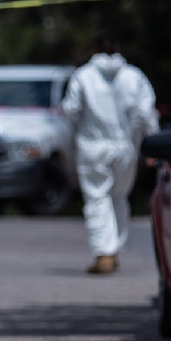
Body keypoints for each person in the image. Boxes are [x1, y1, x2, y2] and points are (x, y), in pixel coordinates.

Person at [61, 31, 159, 274]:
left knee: (97, 198)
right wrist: (152, 145)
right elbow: (147, 112)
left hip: (93, 147)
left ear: (94, 50)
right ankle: (114, 247)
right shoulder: (134, 76)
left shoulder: (83, 76)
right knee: (118, 197)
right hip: (126, 147)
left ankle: (104, 251)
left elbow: (71, 110)